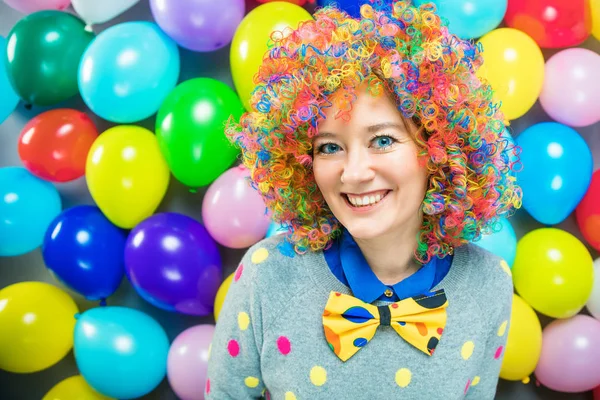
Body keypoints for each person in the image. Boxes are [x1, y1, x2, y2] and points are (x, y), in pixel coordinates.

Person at [206, 0, 522, 398]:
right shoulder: (266, 276)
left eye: (383, 140)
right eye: (328, 148)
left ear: (441, 150)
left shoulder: (488, 284)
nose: (353, 173)